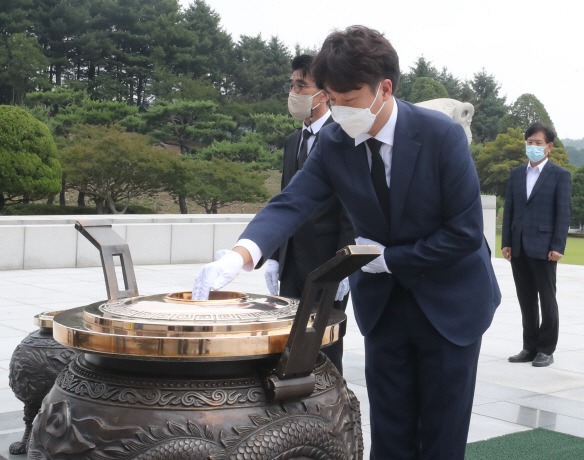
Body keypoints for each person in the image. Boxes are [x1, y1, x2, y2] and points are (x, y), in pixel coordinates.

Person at [193, 26, 501, 459]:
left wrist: (389, 259)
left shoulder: (439, 136)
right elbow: (293, 201)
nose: (339, 112)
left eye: (349, 100)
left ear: (384, 89)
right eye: (332, 101)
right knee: (390, 428)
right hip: (385, 305)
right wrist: (242, 253)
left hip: (450, 301)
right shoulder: (337, 141)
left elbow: (465, 233)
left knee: (441, 432)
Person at [264, 54, 355, 374]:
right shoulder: (292, 141)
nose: (295, 92)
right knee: (290, 343)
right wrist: (274, 255)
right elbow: (285, 201)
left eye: (302, 85)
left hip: (327, 260)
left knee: (326, 347)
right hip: (291, 260)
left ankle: (333, 414)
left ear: (324, 93)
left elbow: (350, 204)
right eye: (292, 85)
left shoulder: (345, 134)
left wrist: (346, 263)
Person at [502, 122, 571, 367]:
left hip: (544, 248)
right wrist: (507, 241)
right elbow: (509, 209)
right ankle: (529, 347)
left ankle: (546, 349)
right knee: (526, 299)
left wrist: (558, 246)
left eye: (538, 143)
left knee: (547, 299)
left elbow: (563, 214)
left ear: (549, 147)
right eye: (529, 142)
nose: (532, 146)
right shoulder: (517, 174)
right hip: (518, 246)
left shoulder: (559, 175)